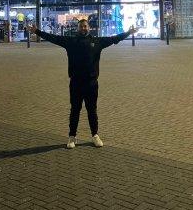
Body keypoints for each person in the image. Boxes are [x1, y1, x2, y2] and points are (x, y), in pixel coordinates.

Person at [26, 19, 138, 150]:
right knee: (75, 110)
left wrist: (129, 33)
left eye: (85, 26)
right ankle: (72, 136)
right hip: (76, 82)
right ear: (78, 28)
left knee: (92, 110)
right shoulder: (71, 42)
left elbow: (114, 39)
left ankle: (95, 135)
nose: (83, 28)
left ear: (89, 28)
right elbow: (53, 38)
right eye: (81, 27)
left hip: (91, 83)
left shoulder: (97, 42)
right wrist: (37, 31)